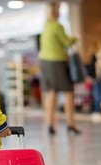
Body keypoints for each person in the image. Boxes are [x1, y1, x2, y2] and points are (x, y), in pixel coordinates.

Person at [38, 1, 80, 135]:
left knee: (51, 92)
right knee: (68, 91)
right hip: (56, 62)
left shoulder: (46, 25)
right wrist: (76, 38)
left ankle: (50, 124)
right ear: (56, 11)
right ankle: (71, 123)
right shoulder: (57, 26)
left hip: (44, 62)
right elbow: (67, 43)